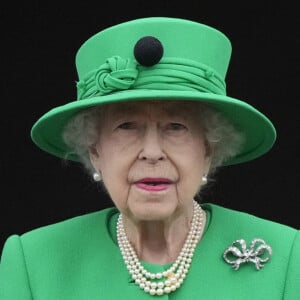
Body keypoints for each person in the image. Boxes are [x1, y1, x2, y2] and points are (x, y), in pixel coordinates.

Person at [0, 16, 299, 299]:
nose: (152, 152)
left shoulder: (287, 257)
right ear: (95, 151)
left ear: (208, 150)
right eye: (127, 126)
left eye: (176, 127)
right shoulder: (33, 262)